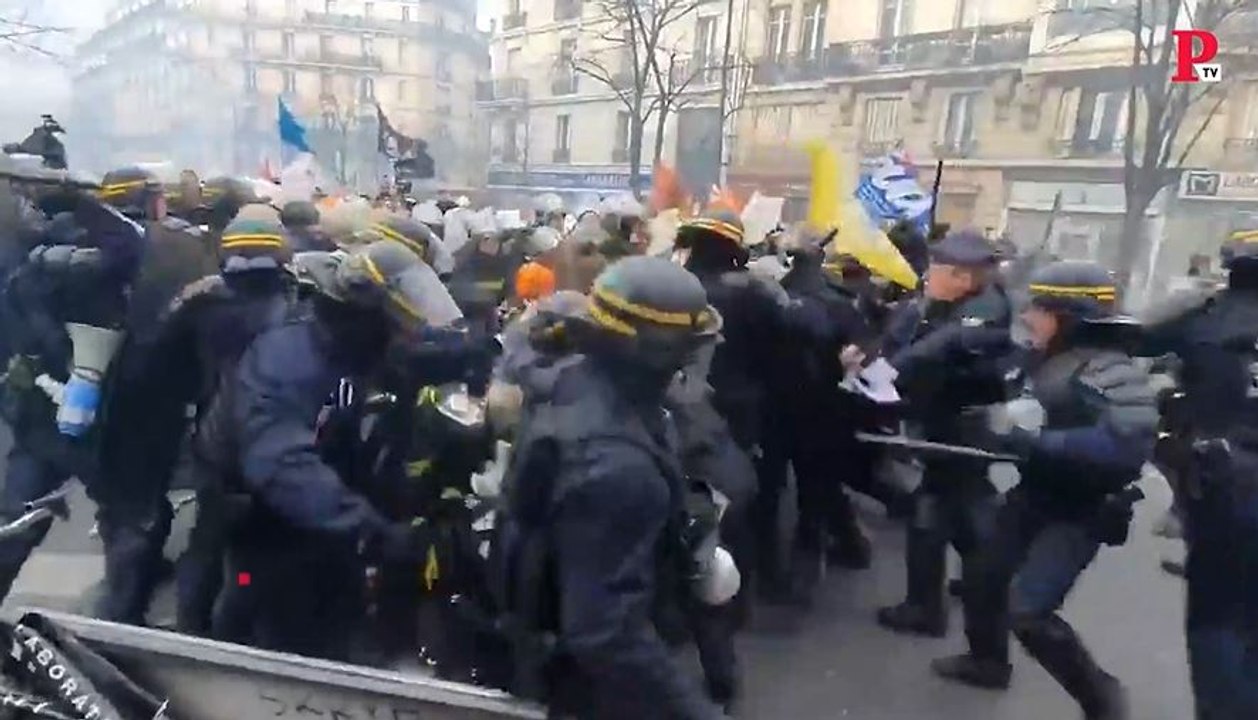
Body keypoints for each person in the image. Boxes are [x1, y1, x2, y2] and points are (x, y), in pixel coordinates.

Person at [198, 240, 461, 659]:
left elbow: (416, 354)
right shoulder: (287, 362)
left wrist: (482, 354)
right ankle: (226, 665)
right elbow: (283, 464)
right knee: (264, 603)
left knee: (333, 597)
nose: (402, 335)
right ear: (367, 316)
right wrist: (371, 529)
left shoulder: (351, 347)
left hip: (318, 504)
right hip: (260, 511)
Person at [492, 256, 728, 719]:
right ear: (660, 351)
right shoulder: (616, 466)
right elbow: (607, 635)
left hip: (548, 622)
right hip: (588, 684)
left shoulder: (573, 379)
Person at [933, 260, 1155, 720]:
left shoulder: (1116, 372)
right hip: (1035, 494)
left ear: (1069, 316)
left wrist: (1036, 442)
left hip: (1081, 509)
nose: (1029, 316)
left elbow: (1125, 448)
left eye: (1041, 308)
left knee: (1029, 612)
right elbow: (1010, 395)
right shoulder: (1042, 356)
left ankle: (1102, 699)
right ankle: (987, 661)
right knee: (983, 575)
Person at [1139, 229, 1258, 719]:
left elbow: (1143, 339)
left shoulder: (1206, 317)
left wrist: (1178, 302)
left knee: (1218, 620)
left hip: (1226, 486)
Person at [875, 228, 1014, 637]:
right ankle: (965, 594)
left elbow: (935, 348)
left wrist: (880, 377)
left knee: (946, 515)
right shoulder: (950, 302)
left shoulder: (984, 309)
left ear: (963, 277)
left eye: (937, 270)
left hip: (963, 426)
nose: (927, 277)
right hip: (948, 421)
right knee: (955, 514)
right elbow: (905, 335)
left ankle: (937, 608)